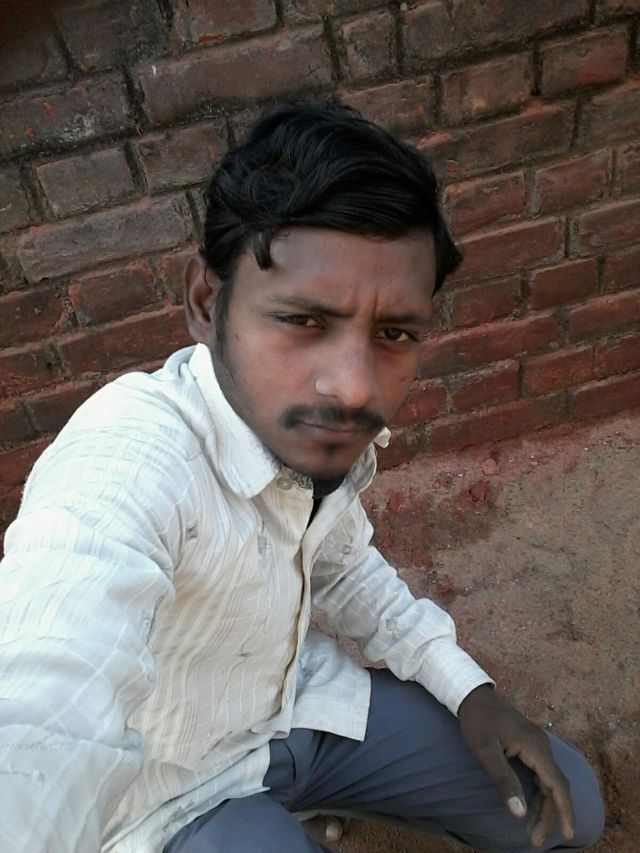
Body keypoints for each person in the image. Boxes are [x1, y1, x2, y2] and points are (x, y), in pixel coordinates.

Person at [0, 100, 604, 853]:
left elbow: (342, 563)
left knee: (571, 805)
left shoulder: (303, 433)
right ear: (205, 302)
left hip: (293, 712)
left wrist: (467, 687)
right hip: (170, 798)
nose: (353, 387)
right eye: (303, 321)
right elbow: (43, 718)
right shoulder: (128, 459)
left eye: (394, 333)